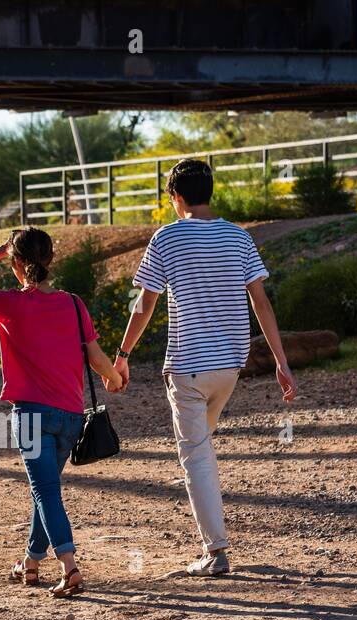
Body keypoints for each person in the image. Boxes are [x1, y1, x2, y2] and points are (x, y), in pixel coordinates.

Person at [112, 159, 297, 577]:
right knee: (203, 448)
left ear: (176, 197)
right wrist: (281, 364)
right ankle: (212, 541)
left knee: (195, 455)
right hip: (230, 368)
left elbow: (144, 304)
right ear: (209, 192)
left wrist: (121, 356)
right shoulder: (239, 238)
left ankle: (216, 553)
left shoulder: (167, 239)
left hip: (188, 367)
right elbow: (261, 303)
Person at [0, 227, 122, 597]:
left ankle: (70, 567)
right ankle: (30, 562)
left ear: (16, 263)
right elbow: (95, 357)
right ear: (50, 260)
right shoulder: (74, 304)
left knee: (45, 491)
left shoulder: (11, 303)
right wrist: (113, 378)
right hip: (70, 416)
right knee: (43, 490)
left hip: (30, 415)